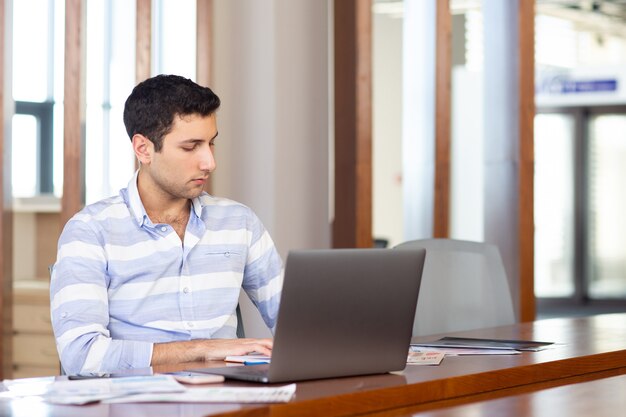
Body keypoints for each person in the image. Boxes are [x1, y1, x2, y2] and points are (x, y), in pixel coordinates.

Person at [50, 74, 283, 375]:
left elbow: (300, 326)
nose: (209, 162)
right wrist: (202, 349)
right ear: (143, 149)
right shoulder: (90, 232)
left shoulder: (240, 223)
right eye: (191, 147)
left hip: (230, 400)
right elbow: (81, 356)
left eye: (211, 144)